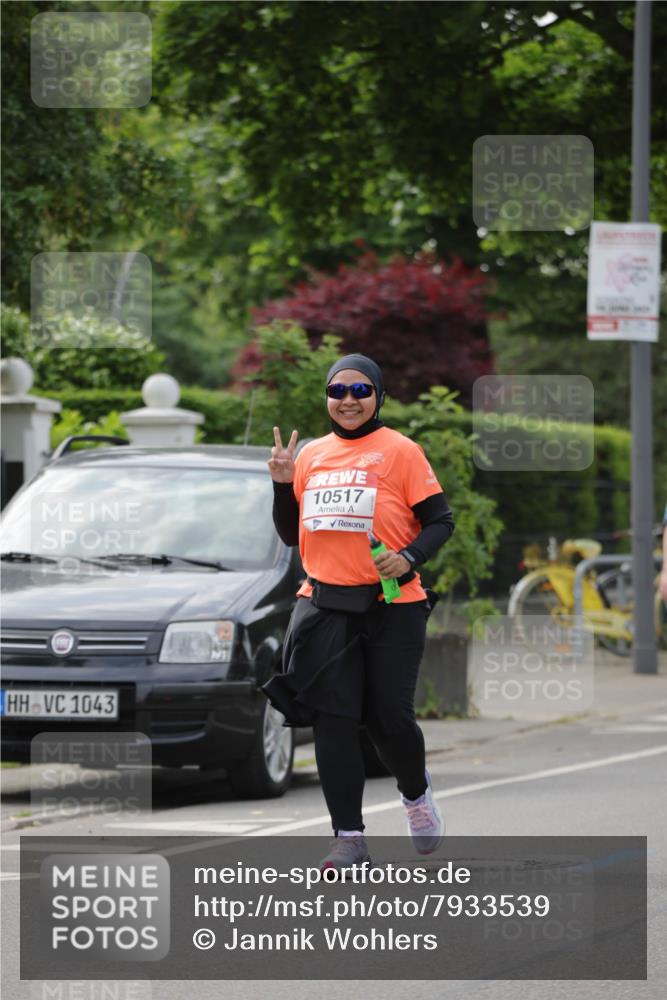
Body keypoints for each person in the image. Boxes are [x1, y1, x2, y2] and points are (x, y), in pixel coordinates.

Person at [262, 353, 455, 875]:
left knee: (387, 720)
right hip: (325, 604)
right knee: (334, 719)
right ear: (328, 398)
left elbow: (440, 521)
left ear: (378, 397)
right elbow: (292, 535)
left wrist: (409, 556)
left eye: (360, 390)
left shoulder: (400, 451)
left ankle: (415, 797)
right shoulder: (309, 456)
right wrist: (282, 484)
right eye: (338, 390)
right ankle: (348, 838)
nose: (348, 400)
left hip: (392, 603)